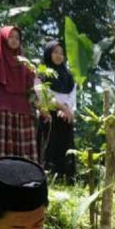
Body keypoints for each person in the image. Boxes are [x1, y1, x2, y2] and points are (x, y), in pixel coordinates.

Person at [0, 26, 37, 162]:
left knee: (24, 157)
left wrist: (41, 108)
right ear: (4, 38)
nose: (14, 40)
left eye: (17, 38)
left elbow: (32, 89)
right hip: (3, 111)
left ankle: (23, 182)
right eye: (11, 37)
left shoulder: (24, 62)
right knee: (0, 156)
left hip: (23, 112)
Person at [39, 40, 77, 183]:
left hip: (65, 115)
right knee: (49, 146)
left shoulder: (68, 75)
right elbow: (44, 94)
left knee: (66, 147)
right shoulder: (42, 73)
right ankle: (49, 178)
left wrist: (68, 109)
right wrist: (62, 108)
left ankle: (67, 179)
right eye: (55, 52)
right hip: (49, 114)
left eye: (61, 53)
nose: (58, 56)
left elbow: (73, 94)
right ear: (48, 54)